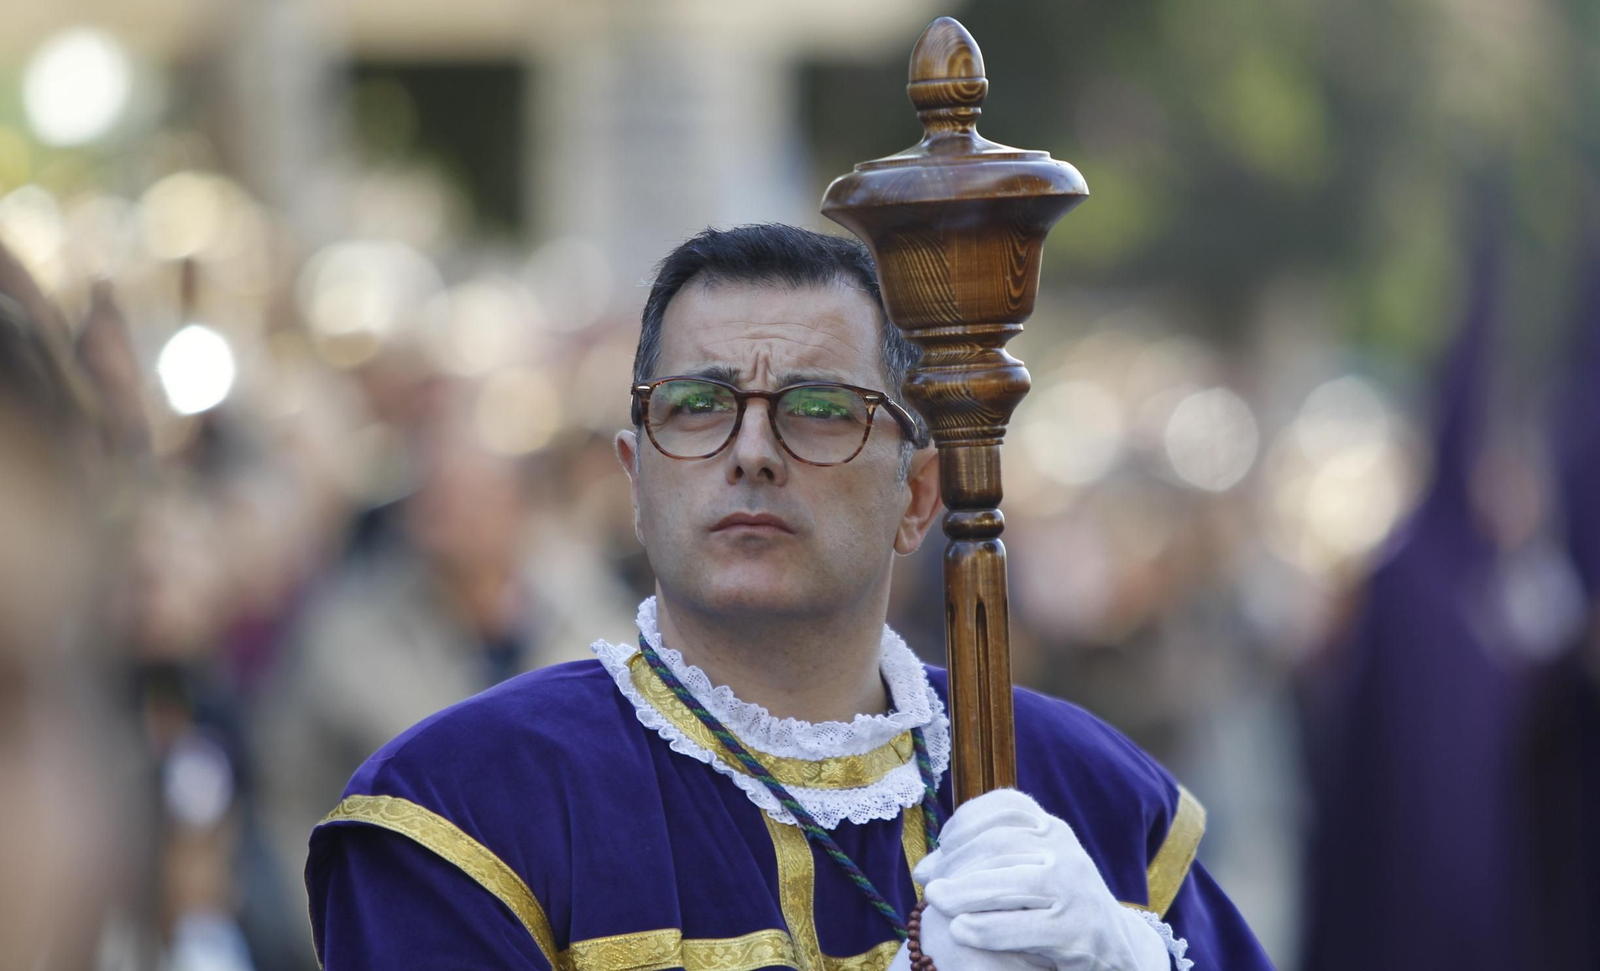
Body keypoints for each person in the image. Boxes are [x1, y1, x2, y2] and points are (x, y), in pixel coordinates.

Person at [306, 225, 1273, 970]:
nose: (754, 450)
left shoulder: (1091, 796)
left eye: (819, 410)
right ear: (634, 479)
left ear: (919, 495)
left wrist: (1129, 956)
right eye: (698, 406)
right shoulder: (465, 805)